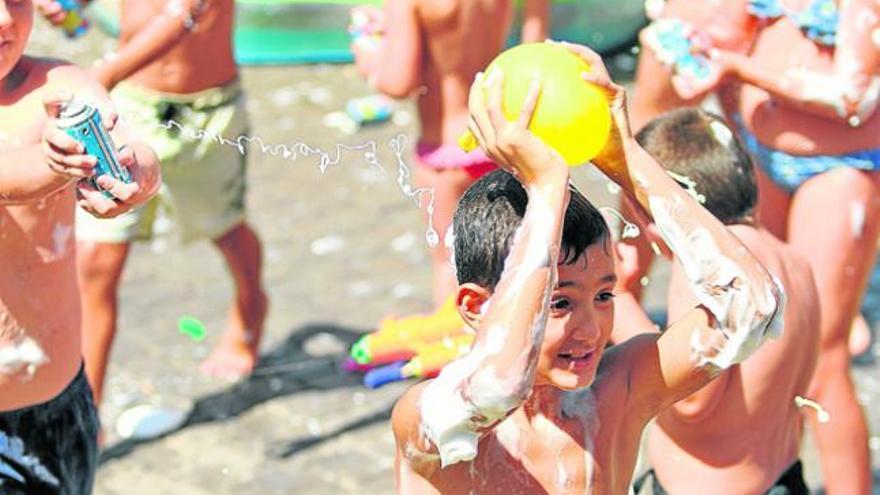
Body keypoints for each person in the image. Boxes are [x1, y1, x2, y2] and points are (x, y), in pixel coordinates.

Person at [390, 42, 785, 494]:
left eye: (602, 296)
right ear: (476, 306)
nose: (590, 328)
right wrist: (545, 191)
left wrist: (626, 157)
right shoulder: (434, 420)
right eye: (558, 302)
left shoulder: (617, 392)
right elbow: (498, 385)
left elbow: (753, 307)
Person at [631, 1, 879, 491]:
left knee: (822, 357)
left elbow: (855, 97)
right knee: (768, 339)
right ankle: (774, 466)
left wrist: (740, 68)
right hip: (761, 155)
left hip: (836, 169)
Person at [36, 0, 270, 402]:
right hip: (131, 108)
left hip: (209, 114)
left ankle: (250, 308)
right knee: (96, 259)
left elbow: (181, 15)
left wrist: (102, 73)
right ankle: (89, 407)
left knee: (226, 229)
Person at [616, 108, 819, 495]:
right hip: (782, 478)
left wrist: (620, 303)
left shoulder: (710, 275)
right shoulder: (794, 262)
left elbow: (690, 404)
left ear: (652, 212)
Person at [0, 0, 160, 490]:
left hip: (57, 403)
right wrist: (55, 167)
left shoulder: (57, 86)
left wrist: (136, 173)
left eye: (14, 0)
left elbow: (131, 143)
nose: (4, 19)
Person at [352, 0, 550, 313]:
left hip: (445, 153)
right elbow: (536, 51)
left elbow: (399, 83)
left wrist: (367, 50)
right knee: (510, 257)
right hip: (498, 140)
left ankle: (460, 347)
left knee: (451, 264)